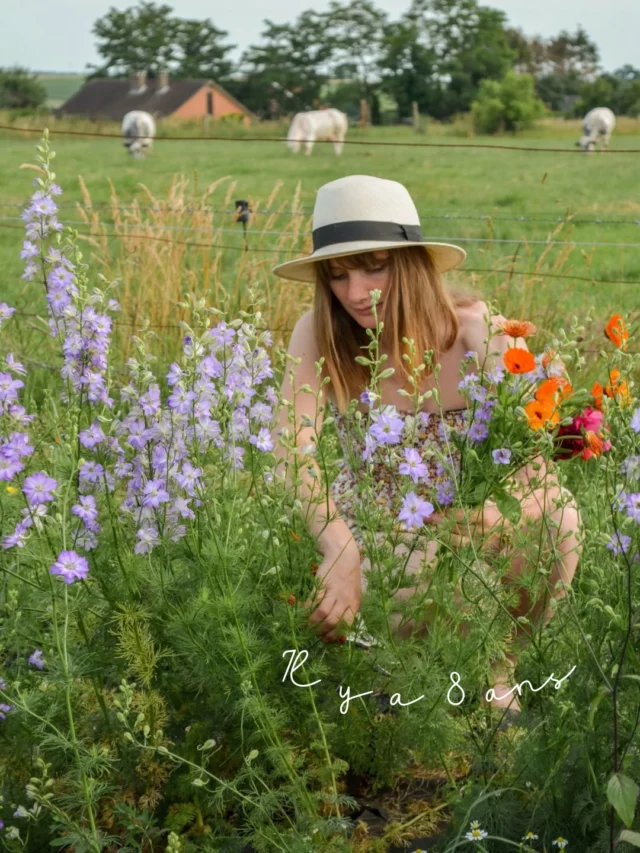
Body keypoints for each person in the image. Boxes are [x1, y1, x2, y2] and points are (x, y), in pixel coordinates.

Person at [271, 175, 581, 712]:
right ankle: (397, 691)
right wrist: (336, 542)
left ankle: (497, 671)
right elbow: (288, 448)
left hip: (475, 524)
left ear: (412, 264)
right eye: (338, 275)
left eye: (375, 266)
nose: (353, 292)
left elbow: (537, 469)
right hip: (376, 529)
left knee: (561, 521)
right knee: (411, 582)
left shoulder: (474, 330)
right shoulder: (319, 331)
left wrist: (501, 517)